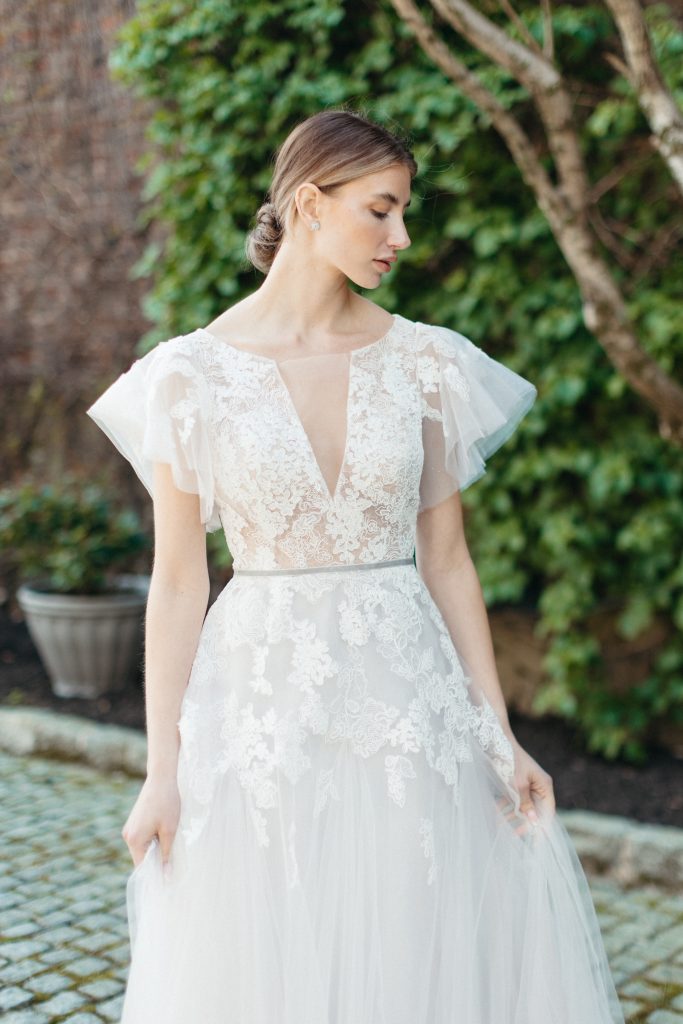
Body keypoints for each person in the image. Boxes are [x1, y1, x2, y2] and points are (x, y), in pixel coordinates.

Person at [86, 108, 625, 1023]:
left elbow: (447, 560)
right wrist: (161, 769)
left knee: (414, 944)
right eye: (381, 211)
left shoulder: (423, 362)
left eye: (404, 212)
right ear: (309, 203)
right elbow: (178, 584)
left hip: (408, 711)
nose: (401, 237)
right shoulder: (187, 377)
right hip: (258, 711)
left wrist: (496, 728)